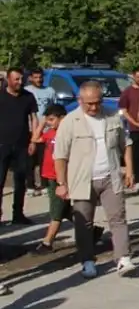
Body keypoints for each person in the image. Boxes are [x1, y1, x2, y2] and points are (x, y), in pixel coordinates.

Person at [53, 80, 137, 278]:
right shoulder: (70, 122)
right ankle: (87, 261)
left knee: (118, 218)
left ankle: (123, 258)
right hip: (82, 180)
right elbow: (60, 155)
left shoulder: (112, 116)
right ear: (80, 100)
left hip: (110, 176)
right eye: (88, 103)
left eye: (97, 102)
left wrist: (130, 171)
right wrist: (61, 183)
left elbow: (127, 144)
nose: (93, 107)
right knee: (84, 223)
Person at [31, 104, 73, 254]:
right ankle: (90, 229)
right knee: (64, 209)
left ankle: (47, 242)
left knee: (56, 211)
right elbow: (35, 138)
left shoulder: (67, 134)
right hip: (49, 176)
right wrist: (42, 122)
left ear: (63, 119)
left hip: (59, 178)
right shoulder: (50, 133)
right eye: (48, 120)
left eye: (52, 119)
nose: (49, 123)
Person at [0, 67, 38, 225]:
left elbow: (34, 118)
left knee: (20, 180)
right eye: (16, 79)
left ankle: (18, 214)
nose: (19, 82)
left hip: (22, 144)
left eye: (21, 79)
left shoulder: (28, 97)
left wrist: (34, 140)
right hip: (2, 144)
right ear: (8, 79)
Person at [24, 67, 56, 197]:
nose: (38, 79)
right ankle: (30, 185)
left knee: (44, 159)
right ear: (31, 78)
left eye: (40, 77)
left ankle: (44, 184)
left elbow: (54, 109)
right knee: (30, 159)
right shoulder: (26, 91)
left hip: (46, 130)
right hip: (30, 129)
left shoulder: (50, 91)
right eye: (35, 77)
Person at [119, 66, 139, 193]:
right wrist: (134, 123)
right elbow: (123, 110)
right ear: (133, 77)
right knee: (136, 156)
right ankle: (138, 180)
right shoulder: (128, 92)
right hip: (134, 128)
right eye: (138, 77)